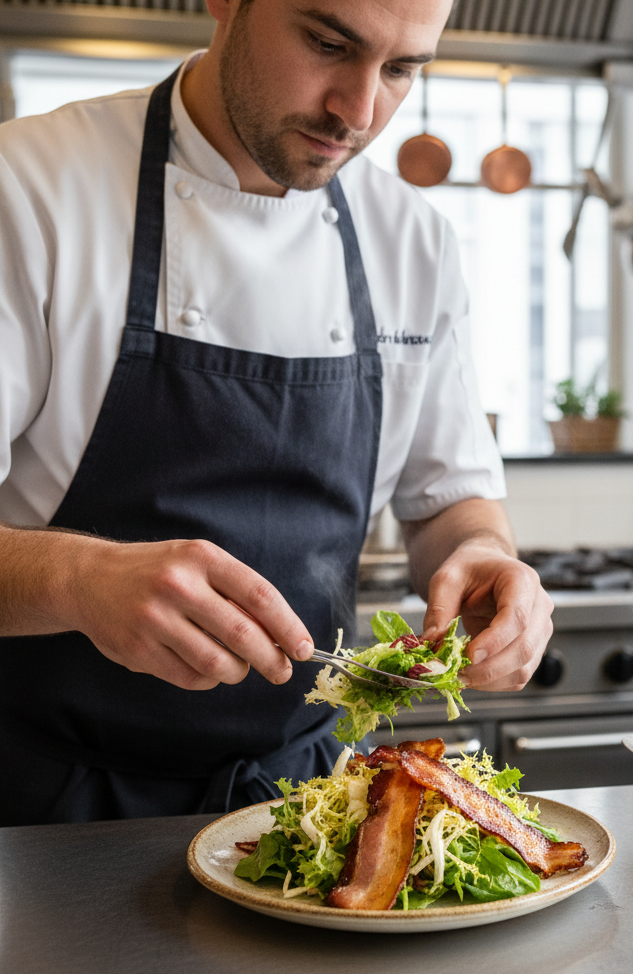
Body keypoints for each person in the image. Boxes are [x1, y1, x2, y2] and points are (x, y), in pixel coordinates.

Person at [0, 0, 553, 826]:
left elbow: (449, 501)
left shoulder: (413, 241)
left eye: (403, 69)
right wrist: (80, 583)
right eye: (329, 43)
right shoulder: (29, 189)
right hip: (41, 810)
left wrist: (485, 557)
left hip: (299, 806)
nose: (359, 113)